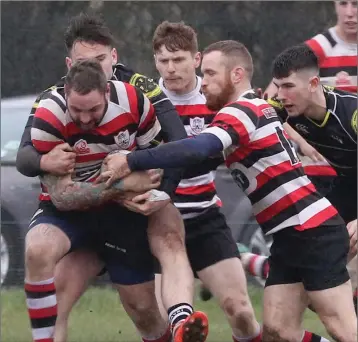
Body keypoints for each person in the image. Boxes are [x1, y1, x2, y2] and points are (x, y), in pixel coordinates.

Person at [99, 40, 357, 342]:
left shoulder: (242, 110)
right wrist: (146, 185)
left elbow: (198, 148)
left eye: (209, 74)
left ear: (236, 75)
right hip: (290, 235)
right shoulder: (251, 109)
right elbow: (196, 164)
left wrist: (131, 160)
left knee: (342, 327)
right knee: (278, 332)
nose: (203, 82)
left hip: (312, 230)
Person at [18, 13, 208, 342]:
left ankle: (179, 320)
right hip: (73, 214)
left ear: (113, 60)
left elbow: (174, 150)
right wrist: (44, 159)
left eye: (100, 60)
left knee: (144, 309)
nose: (85, 117)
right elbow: (33, 166)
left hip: (125, 216)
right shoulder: (52, 105)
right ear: (68, 66)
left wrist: (155, 187)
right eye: (83, 61)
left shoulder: (137, 92)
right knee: (42, 262)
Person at [146, 21, 261, 341]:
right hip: (159, 222)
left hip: (205, 218)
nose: (171, 68)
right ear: (155, 61)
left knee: (241, 313)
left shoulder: (216, 95)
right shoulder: (145, 102)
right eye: (163, 60)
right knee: (167, 328)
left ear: (196, 59)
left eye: (179, 59)